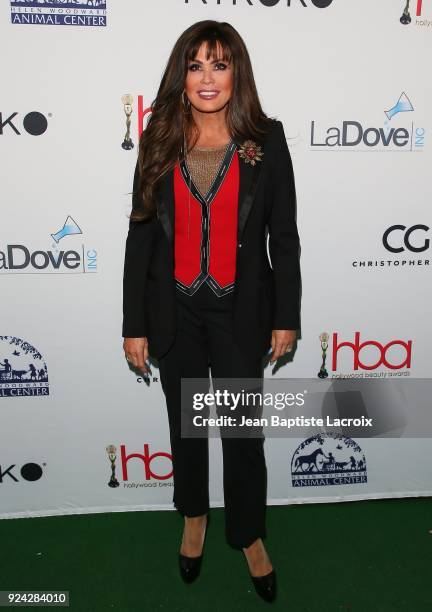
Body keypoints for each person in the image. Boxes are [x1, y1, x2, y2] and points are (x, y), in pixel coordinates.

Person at [122, 20, 301, 603]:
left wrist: (285, 315)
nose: (206, 77)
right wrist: (135, 324)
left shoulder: (266, 140)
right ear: (182, 73)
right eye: (195, 64)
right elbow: (140, 237)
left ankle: (248, 534)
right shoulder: (159, 140)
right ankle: (194, 517)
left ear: (236, 73)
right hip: (174, 313)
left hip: (240, 312)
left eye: (218, 64)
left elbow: (284, 236)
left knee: (242, 435)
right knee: (187, 429)